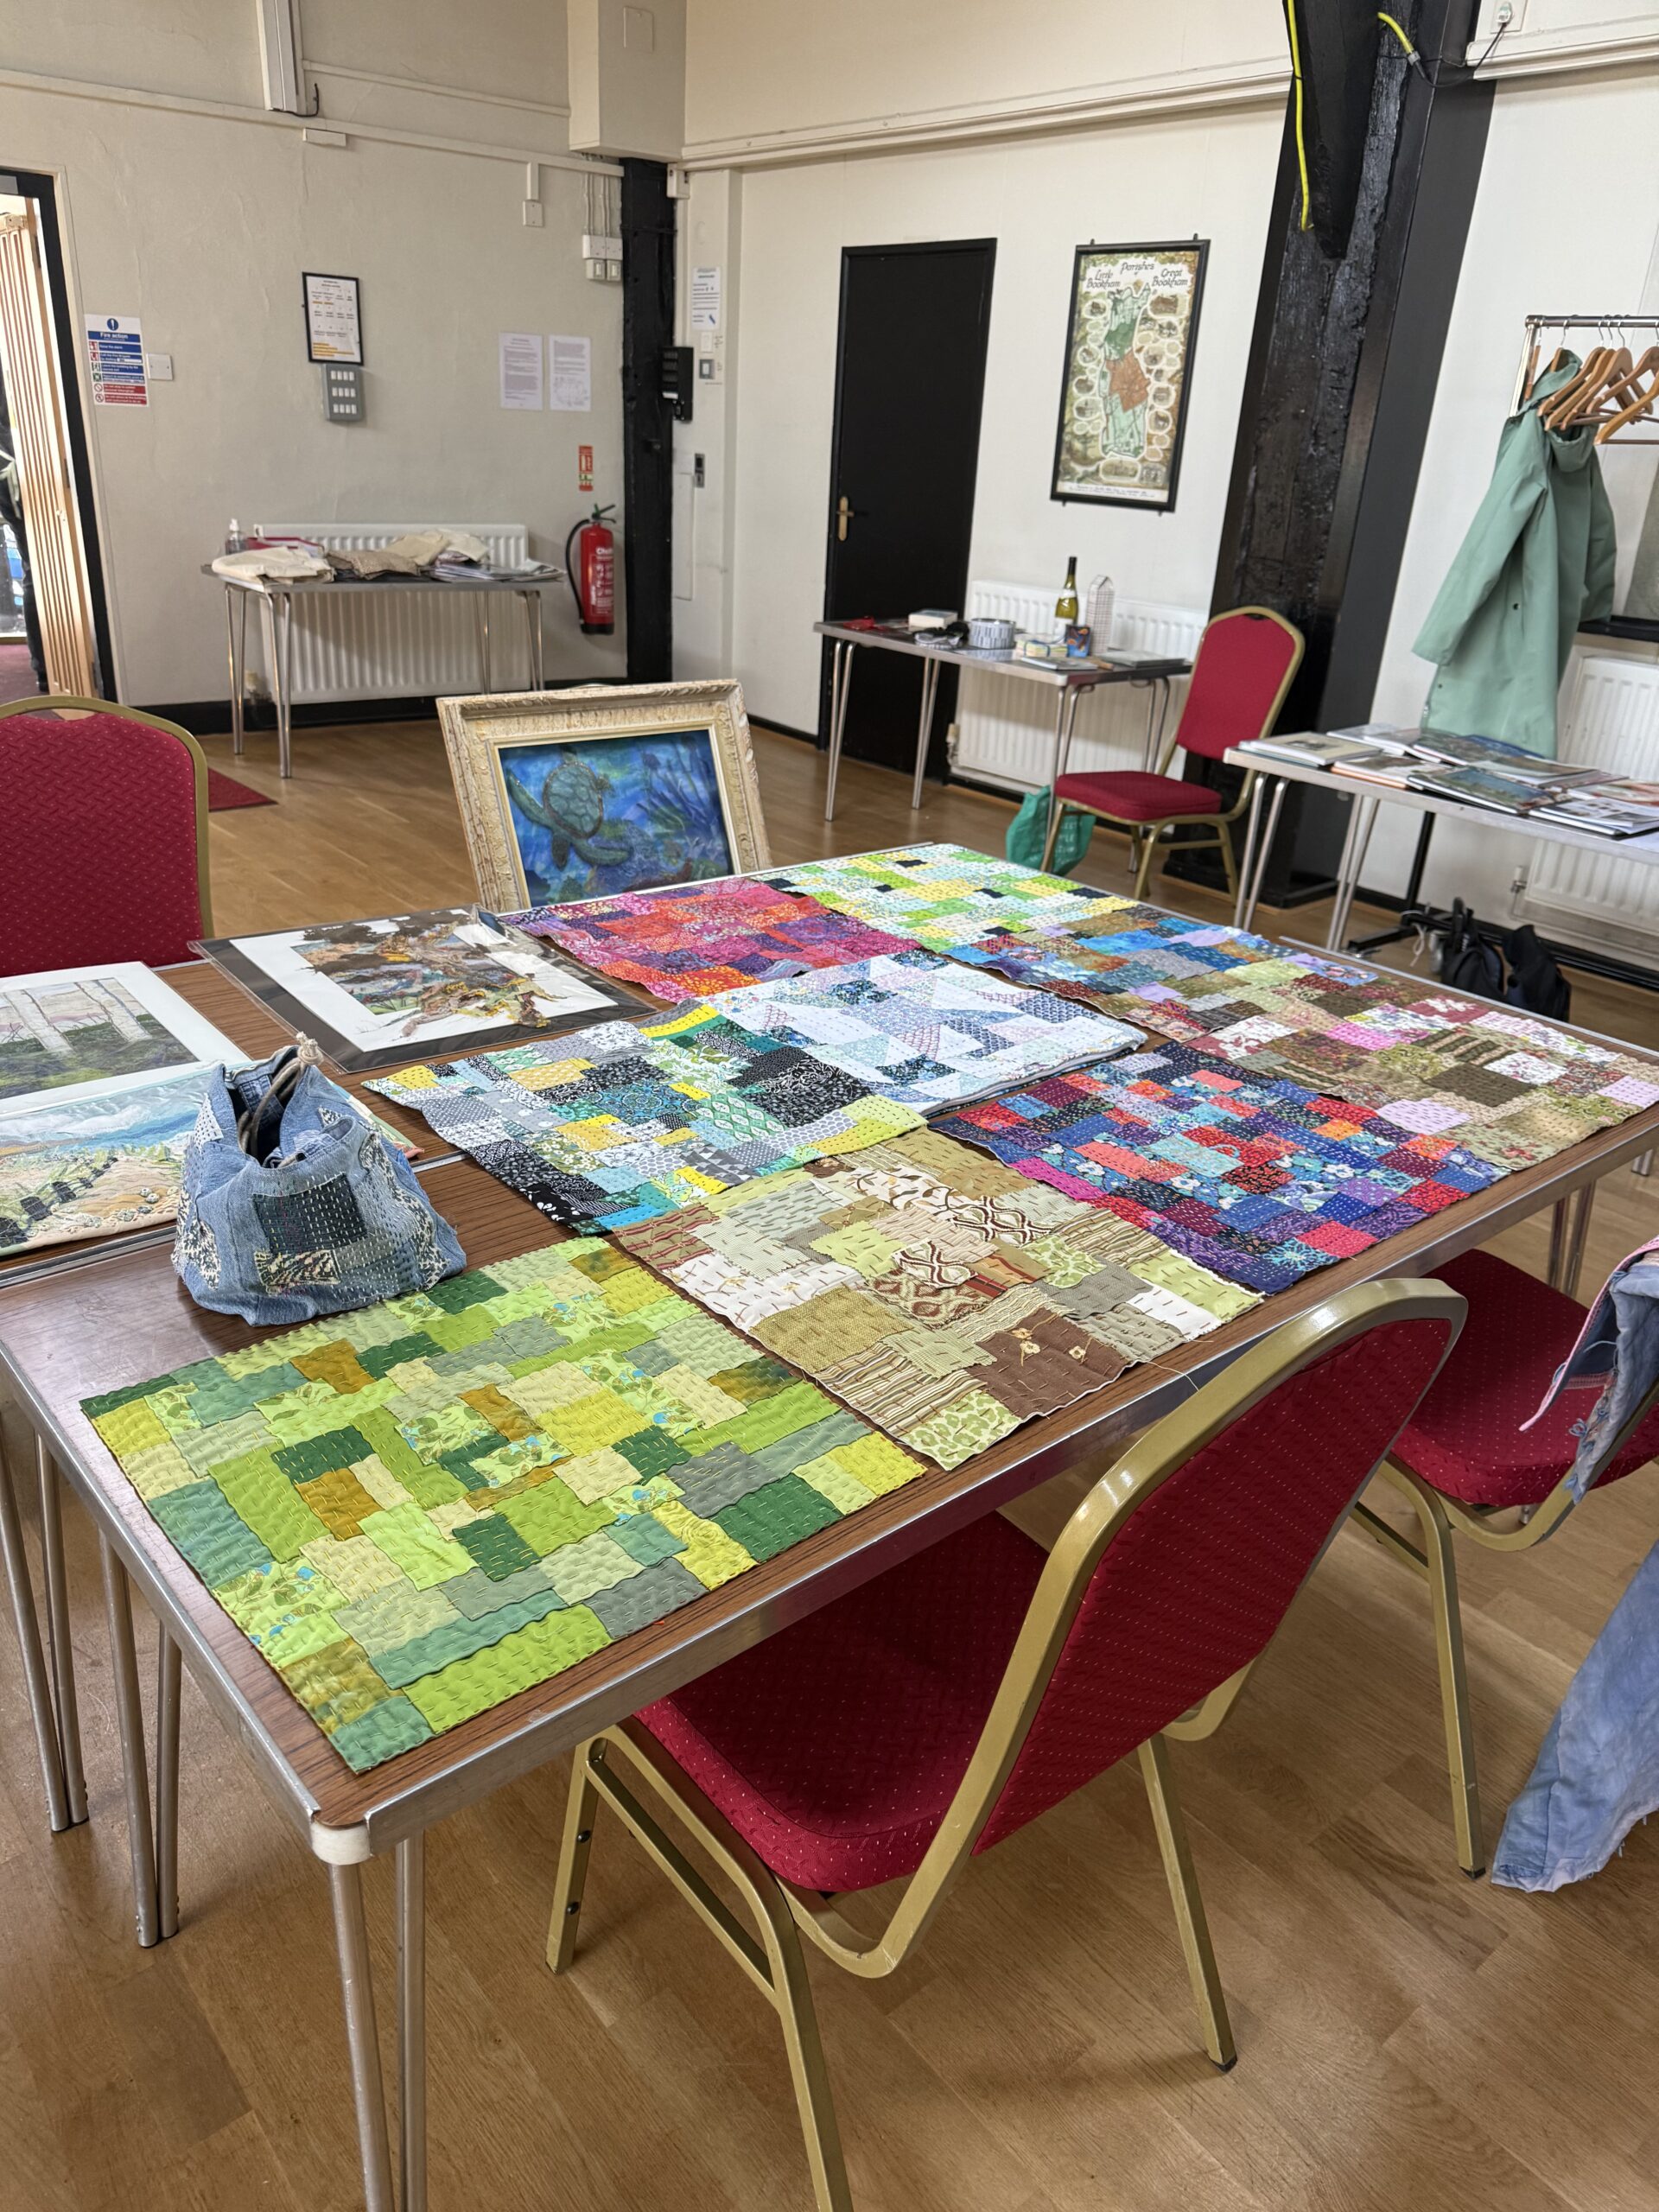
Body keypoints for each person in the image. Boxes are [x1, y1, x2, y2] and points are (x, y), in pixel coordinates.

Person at [0, 379, 48, 693]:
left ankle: (44, 670)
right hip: (21, 480)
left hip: (13, 480)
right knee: (38, 575)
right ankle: (46, 669)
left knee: (35, 575)